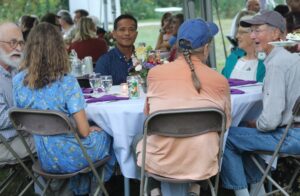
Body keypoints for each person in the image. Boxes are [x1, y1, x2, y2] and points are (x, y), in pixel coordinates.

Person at [13, 22, 115, 195]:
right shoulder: (66, 82)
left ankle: (78, 189)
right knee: (110, 134)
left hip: (44, 157)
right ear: (59, 48)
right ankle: (95, 188)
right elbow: (84, 131)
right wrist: (91, 128)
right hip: (73, 157)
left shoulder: (18, 81)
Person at [133, 18, 231, 196]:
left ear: (177, 45)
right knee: (204, 140)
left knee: (137, 138)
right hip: (202, 163)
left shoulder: (155, 74)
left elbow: (150, 118)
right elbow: (224, 127)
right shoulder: (220, 81)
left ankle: (154, 190)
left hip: (162, 161)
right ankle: (196, 189)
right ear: (207, 48)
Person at [221, 10, 300, 196]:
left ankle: (244, 194)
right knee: (244, 138)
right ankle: (259, 191)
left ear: (277, 33)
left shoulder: (276, 65)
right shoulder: (294, 59)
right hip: (294, 132)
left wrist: (255, 124)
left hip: (290, 137)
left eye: (258, 30)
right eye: (252, 31)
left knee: (226, 137)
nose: (253, 35)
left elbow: (270, 121)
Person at [0, 22, 35, 165]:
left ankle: (46, 186)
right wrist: (31, 113)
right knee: (55, 143)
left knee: (57, 136)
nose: (19, 48)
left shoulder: (15, 70)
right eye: (13, 43)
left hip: (22, 134)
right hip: (5, 144)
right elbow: (1, 120)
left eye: (21, 43)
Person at [95, 14, 138, 85]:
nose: (127, 33)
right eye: (122, 29)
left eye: (131, 29)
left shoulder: (145, 59)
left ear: (136, 34)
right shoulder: (104, 62)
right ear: (114, 34)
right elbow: (101, 91)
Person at [222, 15, 266, 82]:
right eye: (237, 32)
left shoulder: (266, 62)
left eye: (241, 32)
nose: (237, 36)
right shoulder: (232, 58)